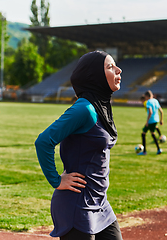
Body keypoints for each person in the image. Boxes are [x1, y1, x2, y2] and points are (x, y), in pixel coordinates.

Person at [35, 51, 123, 240]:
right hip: (77, 204)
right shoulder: (85, 109)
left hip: (100, 203)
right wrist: (56, 180)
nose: (118, 70)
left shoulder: (100, 106)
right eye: (110, 67)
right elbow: (43, 141)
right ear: (95, 77)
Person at [138, 90, 163, 155]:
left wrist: (147, 121)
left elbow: (150, 112)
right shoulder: (156, 101)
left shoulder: (148, 102)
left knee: (143, 134)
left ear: (146, 96)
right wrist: (161, 120)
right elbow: (161, 111)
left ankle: (144, 151)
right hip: (156, 119)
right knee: (152, 134)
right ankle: (158, 149)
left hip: (151, 120)